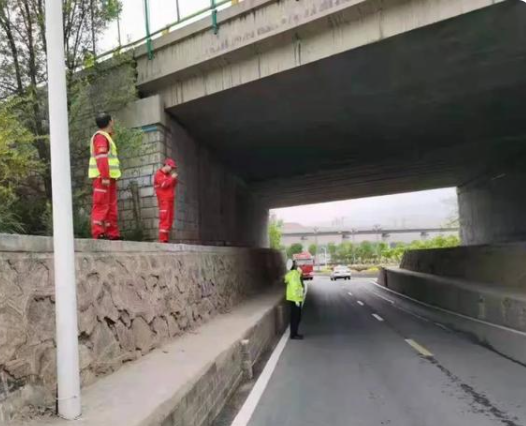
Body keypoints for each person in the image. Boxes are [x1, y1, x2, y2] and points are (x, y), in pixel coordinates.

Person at [88, 112, 122, 240]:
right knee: (101, 204)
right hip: (102, 178)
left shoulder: (106, 137)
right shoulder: (101, 137)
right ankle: (98, 233)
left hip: (109, 178)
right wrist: (105, 177)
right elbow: (101, 158)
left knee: (111, 206)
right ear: (110, 121)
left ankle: (112, 233)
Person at [154, 158, 178, 243]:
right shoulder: (158, 174)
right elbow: (163, 185)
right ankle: (162, 239)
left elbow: (173, 185)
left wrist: (174, 179)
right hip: (164, 200)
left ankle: (166, 239)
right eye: (171, 167)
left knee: (169, 220)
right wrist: (172, 178)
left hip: (170, 200)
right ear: (167, 165)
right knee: (165, 218)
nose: (172, 169)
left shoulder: (168, 175)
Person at [285, 260, 305, 340]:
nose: (297, 266)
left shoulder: (292, 274)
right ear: (294, 266)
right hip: (295, 299)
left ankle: (294, 333)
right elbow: (294, 287)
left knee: (295, 317)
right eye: (296, 265)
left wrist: (300, 273)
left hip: (293, 298)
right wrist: (296, 300)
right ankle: (294, 334)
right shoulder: (294, 275)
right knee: (296, 317)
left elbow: (299, 279)